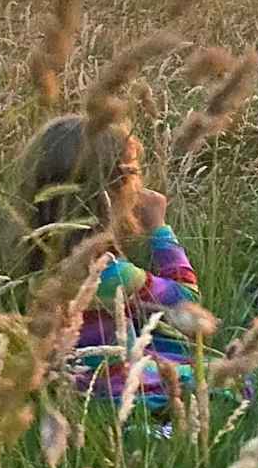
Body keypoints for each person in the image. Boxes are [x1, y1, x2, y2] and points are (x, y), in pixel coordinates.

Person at [19, 113, 207, 412]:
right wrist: (160, 230)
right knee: (236, 381)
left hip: (69, 396)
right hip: (123, 396)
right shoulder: (107, 273)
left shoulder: (31, 262)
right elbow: (188, 306)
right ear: (117, 188)